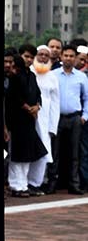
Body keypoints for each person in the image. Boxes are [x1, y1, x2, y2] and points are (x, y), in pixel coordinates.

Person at [5, 50, 46, 197]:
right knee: (17, 154)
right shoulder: (15, 78)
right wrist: (27, 107)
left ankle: (24, 184)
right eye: (25, 57)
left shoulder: (32, 76)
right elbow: (13, 97)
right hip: (17, 121)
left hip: (29, 120)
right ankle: (16, 185)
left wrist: (37, 106)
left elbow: (37, 94)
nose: (28, 60)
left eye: (31, 57)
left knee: (28, 154)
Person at [49, 44, 88, 194]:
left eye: (72, 56)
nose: (68, 58)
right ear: (61, 57)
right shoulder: (53, 75)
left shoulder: (81, 77)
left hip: (75, 118)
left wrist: (84, 116)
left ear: (76, 58)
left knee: (75, 153)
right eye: (66, 55)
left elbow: (87, 98)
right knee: (55, 152)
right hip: (57, 118)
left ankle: (74, 183)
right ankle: (53, 183)